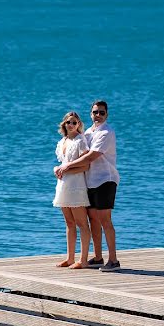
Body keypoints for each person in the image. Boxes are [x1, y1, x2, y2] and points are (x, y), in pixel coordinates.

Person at [55, 100, 120, 271]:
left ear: (106, 114)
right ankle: (98, 257)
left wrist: (67, 166)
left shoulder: (107, 132)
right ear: (91, 114)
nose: (98, 115)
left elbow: (91, 157)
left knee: (105, 220)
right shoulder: (89, 132)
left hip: (105, 179)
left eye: (101, 112)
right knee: (93, 220)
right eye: (95, 112)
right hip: (89, 181)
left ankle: (113, 260)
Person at [51, 111, 92, 269]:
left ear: (79, 124)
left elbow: (85, 165)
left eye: (75, 122)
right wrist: (58, 170)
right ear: (65, 124)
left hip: (76, 185)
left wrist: (65, 170)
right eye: (69, 122)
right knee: (69, 223)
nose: (72, 125)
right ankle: (69, 258)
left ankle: (83, 260)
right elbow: (63, 163)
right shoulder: (62, 142)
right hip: (63, 185)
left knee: (82, 223)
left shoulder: (80, 141)